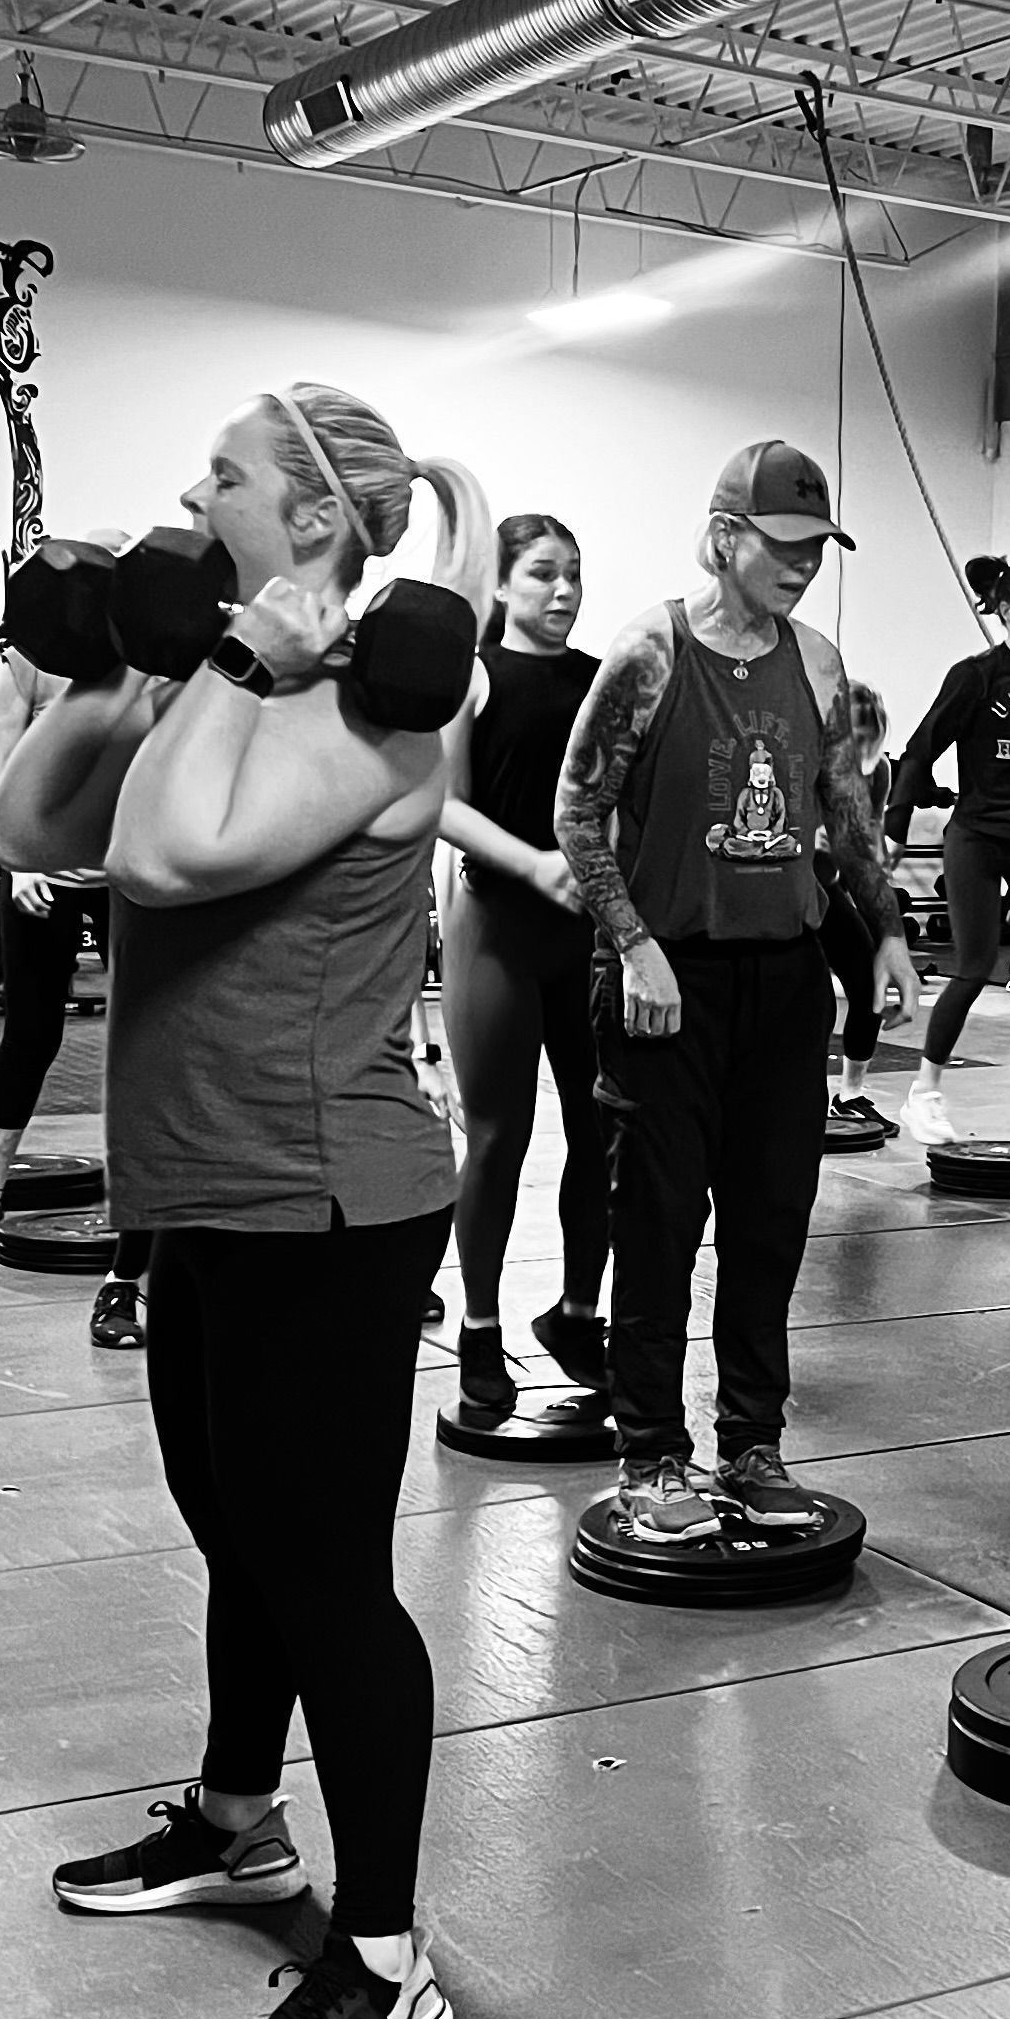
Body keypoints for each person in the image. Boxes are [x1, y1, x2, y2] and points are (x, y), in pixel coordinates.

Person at [0, 381, 491, 2019]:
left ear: (315, 523)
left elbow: (165, 853)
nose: (190, 492)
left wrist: (224, 677)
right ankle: (233, 1820)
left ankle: (386, 1958)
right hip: (200, 1186)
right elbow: (28, 834)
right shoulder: (226, 691)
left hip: (322, 1198)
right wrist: (118, 677)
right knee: (234, 1530)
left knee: (323, 1574)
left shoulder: (371, 713)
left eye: (224, 474)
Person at [553, 440, 919, 1545]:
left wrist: (889, 935)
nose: (805, 564)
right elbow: (578, 812)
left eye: (818, 546)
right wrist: (634, 944)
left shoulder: (815, 661)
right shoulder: (650, 655)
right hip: (672, 980)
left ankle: (752, 1443)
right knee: (659, 1223)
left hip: (785, 979)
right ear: (725, 537)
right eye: (785, 543)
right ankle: (651, 1451)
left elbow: (845, 812)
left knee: (771, 1221)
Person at [438, 514, 609, 1411]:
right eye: (543, 574)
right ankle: (478, 1330)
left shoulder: (600, 682)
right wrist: (536, 863)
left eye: (574, 574)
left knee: (600, 1128)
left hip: (584, 935)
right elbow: (445, 804)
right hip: (496, 925)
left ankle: (578, 1313)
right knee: (499, 1137)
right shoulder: (472, 675)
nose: (564, 591)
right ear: (502, 584)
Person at [0, 633, 152, 1349]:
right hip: (38, 876)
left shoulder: (147, 662)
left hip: (126, 876)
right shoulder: (26, 664)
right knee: (33, 1033)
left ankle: (140, 1247)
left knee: (146, 1047)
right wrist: (18, 857)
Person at [890, 556, 1010, 1147]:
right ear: (1003, 610)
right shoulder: (976, 675)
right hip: (976, 838)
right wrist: (895, 824)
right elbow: (923, 743)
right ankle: (923, 1095)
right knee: (974, 967)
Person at [819, 680, 900, 1135]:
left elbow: (871, 836)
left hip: (835, 882)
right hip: (793, 884)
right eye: (855, 737)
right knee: (810, 998)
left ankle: (849, 1096)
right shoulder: (810, 764)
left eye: (870, 737)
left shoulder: (879, 770)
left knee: (871, 983)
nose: (862, 746)